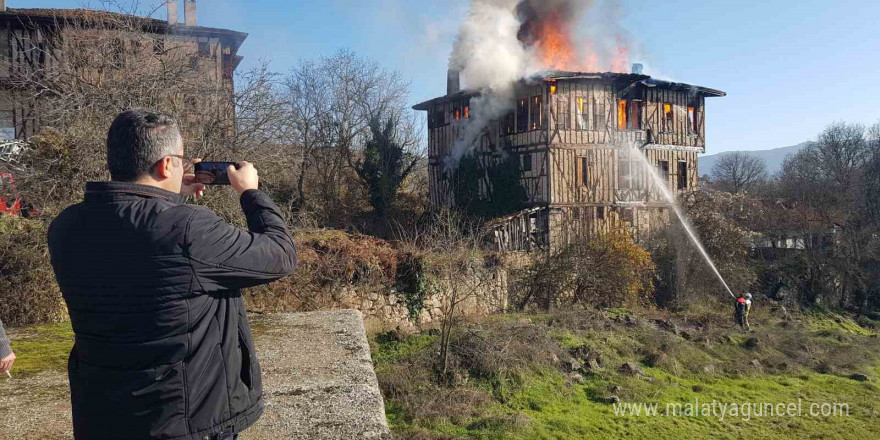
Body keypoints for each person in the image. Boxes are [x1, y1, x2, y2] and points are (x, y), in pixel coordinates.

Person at [48, 109, 297, 440]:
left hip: (102, 416)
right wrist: (250, 193)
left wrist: (167, 197)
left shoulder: (65, 227)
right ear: (166, 165)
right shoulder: (188, 227)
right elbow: (280, 254)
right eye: (180, 160)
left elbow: (134, 242)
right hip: (182, 421)